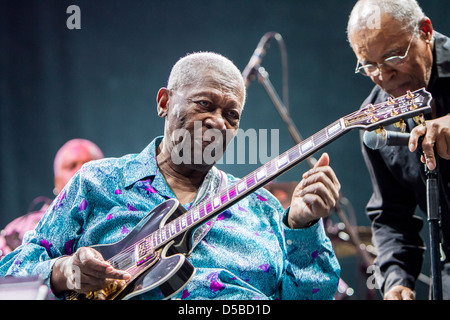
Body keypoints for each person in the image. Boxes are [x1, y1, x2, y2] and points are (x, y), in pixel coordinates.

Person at [0, 52, 341, 300]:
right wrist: (65, 271)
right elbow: (10, 278)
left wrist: (302, 228)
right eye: (205, 104)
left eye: (232, 115)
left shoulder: (262, 207)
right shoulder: (97, 182)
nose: (219, 122)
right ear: (164, 102)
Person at [347, 0, 450, 300]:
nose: (382, 75)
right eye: (368, 65)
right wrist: (396, 280)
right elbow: (391, 215)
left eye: (393, 56)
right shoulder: (375, 117)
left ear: (426, 32)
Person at [0, 139, 104, 260]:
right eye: (71, 166)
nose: (80, 172)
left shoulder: (121, 213)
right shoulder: (21, 227)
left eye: (88, 165)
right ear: (57, 182)